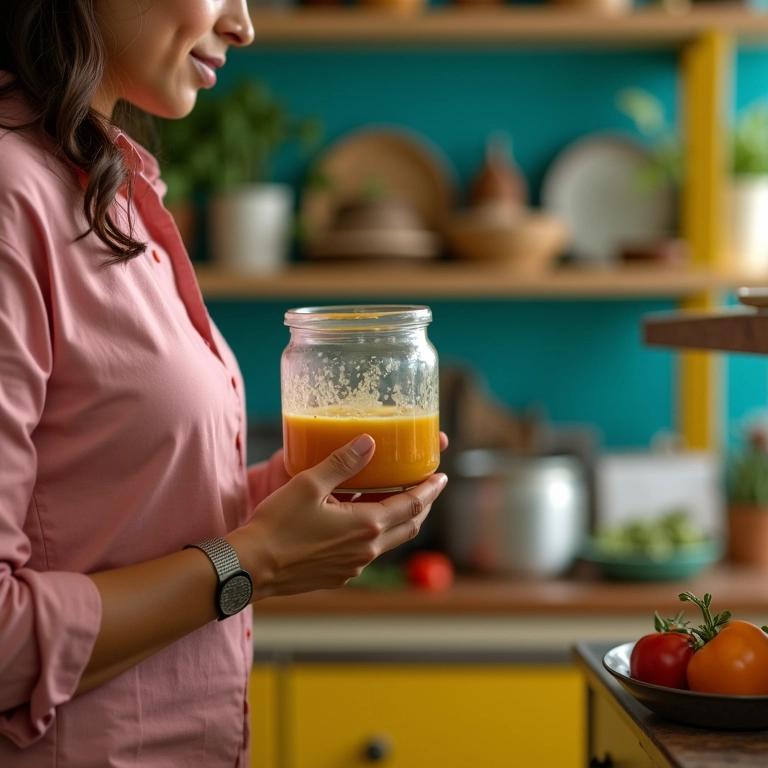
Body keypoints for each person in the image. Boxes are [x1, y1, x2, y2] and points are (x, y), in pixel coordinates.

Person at [0, 1, 449, 765]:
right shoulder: (13, 195)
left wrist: (274, 507)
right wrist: (254, 563)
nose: (243, 24)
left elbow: (110, 513)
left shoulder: (107, 185)